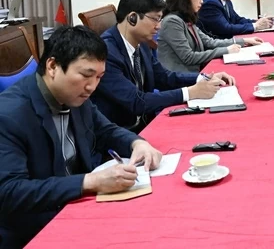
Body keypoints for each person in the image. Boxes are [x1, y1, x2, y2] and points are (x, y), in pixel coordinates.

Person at [0, 26, 163, 247]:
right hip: (36, 229)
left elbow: (106, 130)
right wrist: (90, 182)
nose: (92, 86)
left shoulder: (74, 96)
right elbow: (9, 192)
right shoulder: (9, 116)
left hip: (79, 207)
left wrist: (137, 143)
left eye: (99, 77)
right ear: (52, 66)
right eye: (86, 75)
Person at [92, 0, 234, 132]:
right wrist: (190, 92)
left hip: (144, 124)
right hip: (120, 132)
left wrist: (202, 78)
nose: (159, 26)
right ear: (132, 18)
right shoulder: (107, 53)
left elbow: (164, 77)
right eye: (155, 19)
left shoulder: (141, 42)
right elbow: (136, 101)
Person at [158, 0, 264, 73]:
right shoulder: (172, 21)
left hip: (195, 73)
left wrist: (243, 41)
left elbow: (210, 42)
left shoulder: (186, 18)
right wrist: (226, 50)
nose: (202, 1)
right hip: (181, 78)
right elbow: (189, 57)